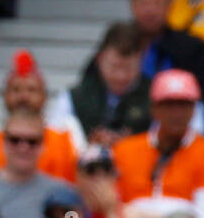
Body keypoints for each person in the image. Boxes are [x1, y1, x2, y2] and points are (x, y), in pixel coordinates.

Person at [112, 69, 204, 218]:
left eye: (183, 105)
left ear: (194, 109)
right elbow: (112, 209)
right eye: (168, 105)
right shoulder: (124, 150)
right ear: (153, 109)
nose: (176, 113)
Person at [0, 50, 77, 182]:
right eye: (16, 89)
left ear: (44, 97)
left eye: (31, 90)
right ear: (5, 96)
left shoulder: (62, 142)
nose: (23, 96)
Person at [48, 21, 147, 151]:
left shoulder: (155, 98)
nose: (120, 76)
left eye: (128, 68)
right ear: (100, 59)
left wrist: (131, 144)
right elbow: (54, 138)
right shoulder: (72, 98)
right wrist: (84, 145)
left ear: (141, 61)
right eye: (115, 67)